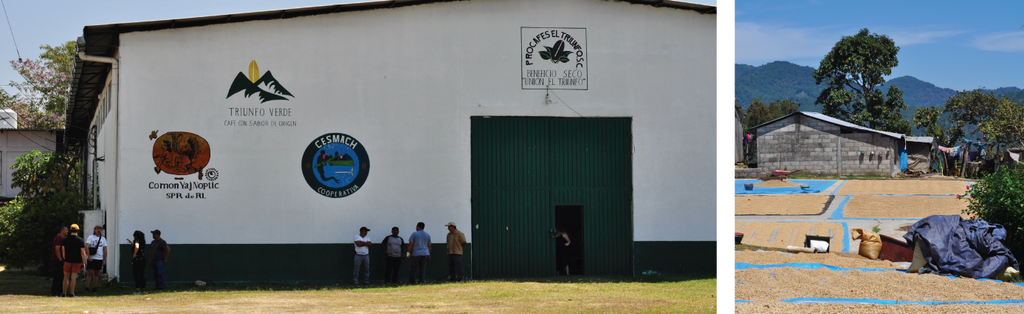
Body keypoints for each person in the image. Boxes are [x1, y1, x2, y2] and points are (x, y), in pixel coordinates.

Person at [61, 224, 87, 297]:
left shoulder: (65, 239)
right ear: (77, 230)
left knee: (65, 277)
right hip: (77, 261)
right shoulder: (80, 240)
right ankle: (72, 293)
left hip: (67, 260)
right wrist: (83, 262)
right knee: (73, 277)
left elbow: (63, 250)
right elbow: (83, 252)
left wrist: (64, 258)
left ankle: (64, 293)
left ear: (70, 230)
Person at [84, 225, 108, 293]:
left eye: (100, 229)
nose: (98, 230)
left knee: (97, 273)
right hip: (92, 257)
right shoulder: (91, 237)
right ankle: (87, 287)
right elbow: (87, 246)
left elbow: (105, 249)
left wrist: (104, 259)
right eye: (97, 229)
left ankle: (94, 287)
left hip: (99, 258)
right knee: (90, 272)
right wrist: (88, 256)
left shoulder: (103, 239)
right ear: (94, 230)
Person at [50, 226, 68, 296]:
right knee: (58, 276)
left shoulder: (62, 238)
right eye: (66, 230)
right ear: (62, 231)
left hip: (60, 260)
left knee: (61, 276)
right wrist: (60, 260)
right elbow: (57, 250)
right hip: (57, 260)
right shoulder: (58, 238)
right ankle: (55, 291)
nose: (67, 232)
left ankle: (59, 290)